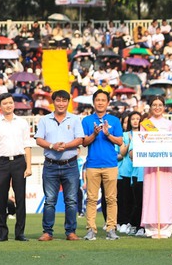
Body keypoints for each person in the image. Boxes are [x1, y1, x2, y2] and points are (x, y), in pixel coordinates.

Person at [34, 90, 84, 241]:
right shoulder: (44, 120)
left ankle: (70, 232)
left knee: (71, 200)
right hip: (50, 165)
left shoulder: (75, 119)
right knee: (50, 200)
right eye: (58, 100)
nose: (61, 103)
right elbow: (38, 140)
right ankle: (47, 232)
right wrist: (51, 146)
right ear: (53, 102)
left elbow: (80, 139)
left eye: (64, 100)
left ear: (68, 102)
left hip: (70, 165)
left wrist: (66, 146)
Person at [0, 93, 34, 242]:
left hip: (19, 162)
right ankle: (3, 233)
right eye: (5, 103)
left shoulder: (22, 123)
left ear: (13, 104)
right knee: (0, 199)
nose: (8, 105)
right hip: (1, 163)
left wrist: (29, 166)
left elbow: (27, 145)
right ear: (0, 106)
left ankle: (20, 233)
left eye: (10, 102)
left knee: (20, 198)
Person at [81, 90, 123, 241]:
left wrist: (107, 134)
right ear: (93, 102)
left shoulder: (114, 120)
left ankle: (111, 229)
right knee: (91, 199)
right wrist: (94, 134)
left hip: (111, 164)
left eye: (103, 100)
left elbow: (120, 141)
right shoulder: (86, 121)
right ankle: (91, 229)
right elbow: (84, 142)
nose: (100, 102)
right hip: (92, 164)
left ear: (107, 103)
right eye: (97, 100)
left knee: (111, 199)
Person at [140, 96, 172, 238]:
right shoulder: (145, 124)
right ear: (150, 107)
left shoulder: (169, 124)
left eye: (160, 105)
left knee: (165, 193)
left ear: (164, 107)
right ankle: (151, 226)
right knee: (151, 192)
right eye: (154, 105)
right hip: (151, 164)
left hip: (165, 164)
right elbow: (142, 141)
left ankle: (165, 225)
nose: (157, 107)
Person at [118, 111, 145, 236]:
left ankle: (135, 223)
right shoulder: (124, 135)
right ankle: (126, 222)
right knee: (126, 198)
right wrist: (130, 142)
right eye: (133, 119)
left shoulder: (145, 135)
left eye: (137, 118)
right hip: (126, 170)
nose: (135, 121)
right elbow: (123, 152)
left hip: (140, 170)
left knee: (137, 200)